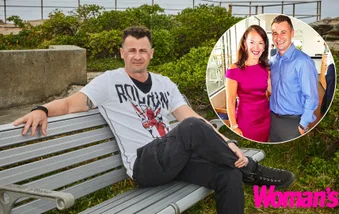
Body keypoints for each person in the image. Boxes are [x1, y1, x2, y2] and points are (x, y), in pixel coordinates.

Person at [13, 26, 294, 214]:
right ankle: (255, 172)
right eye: (131, 50)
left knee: (228, 174)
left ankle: (245, 172)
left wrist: (228, 142)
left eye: (143, 50)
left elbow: (192, 117)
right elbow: (71, 103)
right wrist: (42, 109)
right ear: (122, 53)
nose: (137, 56)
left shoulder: (164, 84)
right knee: (192, 129)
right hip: (144, 165)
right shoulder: (108, 82)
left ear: (151, 54)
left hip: (174, 158)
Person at [269, 15, 319, 142]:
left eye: (283, 32)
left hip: (293, 123)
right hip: (272, 119)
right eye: (275, 33)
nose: (278, 38)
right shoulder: (272, 62)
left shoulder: (303, 62)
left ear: (292, 33)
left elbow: (312, 97)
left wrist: (302, 125)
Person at [225, 25, 270, 142]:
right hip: (246, 120)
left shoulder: (266, 68)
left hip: (266, 118)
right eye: (252, 42)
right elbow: (230, 101)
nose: (256, 47)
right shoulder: (234, 69)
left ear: (265, 46)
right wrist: (234, 126)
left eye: (261, 43)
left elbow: (273, 91)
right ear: (245, 44)